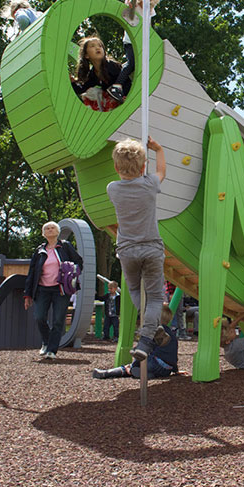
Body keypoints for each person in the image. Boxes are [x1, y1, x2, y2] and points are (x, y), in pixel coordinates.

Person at [107, 137, 169, 363]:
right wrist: (158, 148)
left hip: (127, 250)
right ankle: (146, 340)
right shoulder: (150, 184)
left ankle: (152, 329)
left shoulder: (112, 189)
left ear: (116, 167)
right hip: (151, 247)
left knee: (134, 289)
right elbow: (162, 171)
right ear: (144, 167)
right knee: (154, 298)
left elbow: (128, 177)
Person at [24, 221, 83, 360]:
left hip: (60, 289)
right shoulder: (39, 251)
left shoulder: (65, 246)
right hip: (42, 289)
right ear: (44, 234)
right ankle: (46, 341)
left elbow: (79, 262)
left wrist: (72, 273)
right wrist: (27, 294)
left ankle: (52, 350)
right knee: (39, 317)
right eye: (47, 229)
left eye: (52, 228)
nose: (50, 230)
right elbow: (31, 272)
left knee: (58, 320)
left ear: (57, 232)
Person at [108, 0, 163, 103]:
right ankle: (116, 86)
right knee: (132, 63)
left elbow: (147, 27)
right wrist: (131, 3)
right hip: (130, 41)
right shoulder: (136, 3)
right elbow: (128, 3)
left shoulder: (150, 11)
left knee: (138, 67)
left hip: (140, 44)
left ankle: (127, 89)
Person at [92, 304, 179, 380]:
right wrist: (175, 370)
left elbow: (143, 351)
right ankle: (148, 374)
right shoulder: (172, 335)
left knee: (137, 360)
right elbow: (173, 355)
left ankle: (108, 373)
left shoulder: (154, 331)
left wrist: (134, 364)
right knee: (149, 365)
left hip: (153, 363)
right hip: (166, 369)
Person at [70, 36, 126, 112]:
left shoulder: (111, 66)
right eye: (92, 46)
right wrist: (72, 82)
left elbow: (126, 81)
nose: (97, 48)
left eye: (100, 46)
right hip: (114, 102)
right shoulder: (93, 74)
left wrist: (125, 94)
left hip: (125, 95)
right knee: (90, 92)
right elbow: (83, 88)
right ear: (86, 55)